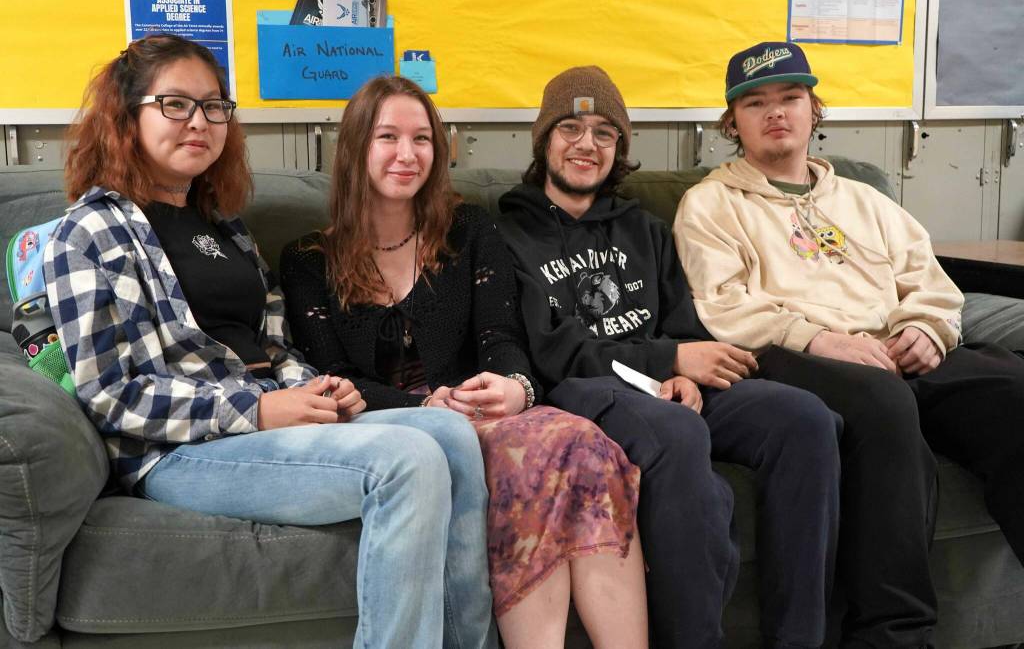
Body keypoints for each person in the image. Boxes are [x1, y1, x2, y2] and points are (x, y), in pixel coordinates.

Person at [44, 34, 495, 649]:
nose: (199, 122)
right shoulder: (90, 230)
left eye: (214, 106)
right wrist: (256, 409)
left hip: (270, 425)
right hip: (177, 452)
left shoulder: (224, 226)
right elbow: (111, 393)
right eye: (175, 104)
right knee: (406, 461)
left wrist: (316, 391)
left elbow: (273, 346)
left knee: (451, 434)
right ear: (127, 116)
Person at [279, 75, 647, 649]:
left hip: (482, 412)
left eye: (422, 138)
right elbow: (333, 377)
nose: (408, 154)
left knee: (582, 443)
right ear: (354, 148)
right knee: (536, 461)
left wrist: (514, 386)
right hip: (395, 430)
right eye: (387, 137)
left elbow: (501, 335)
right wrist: (423, 405)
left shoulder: (469, 229)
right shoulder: (307, 259)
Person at [676, 40, 1024, 646]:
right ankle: (892, 635)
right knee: (884, 406)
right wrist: (820, 339)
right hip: (790, 357)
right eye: (755, 103)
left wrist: (926, 328)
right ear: (733, 123)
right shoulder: (710, 204)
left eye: (790, 97)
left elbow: (932, 284)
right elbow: (723, 305)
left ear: (815, 110)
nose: (776, 112)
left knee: (1012, 392)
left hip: (894, 351)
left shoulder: (866, 201)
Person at [497, 66, 843, 649]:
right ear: (544, 140)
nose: (587, 145)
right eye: (571, 129)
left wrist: (684, 369)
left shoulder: (646, 229)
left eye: (605, 133)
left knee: (805, 420)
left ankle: (799, 639)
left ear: (620, 148)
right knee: (676, 434)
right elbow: (551, 350)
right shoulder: (508, 234)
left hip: (666, 380)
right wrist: (669, 362)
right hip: (580, 389)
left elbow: (685, 327)